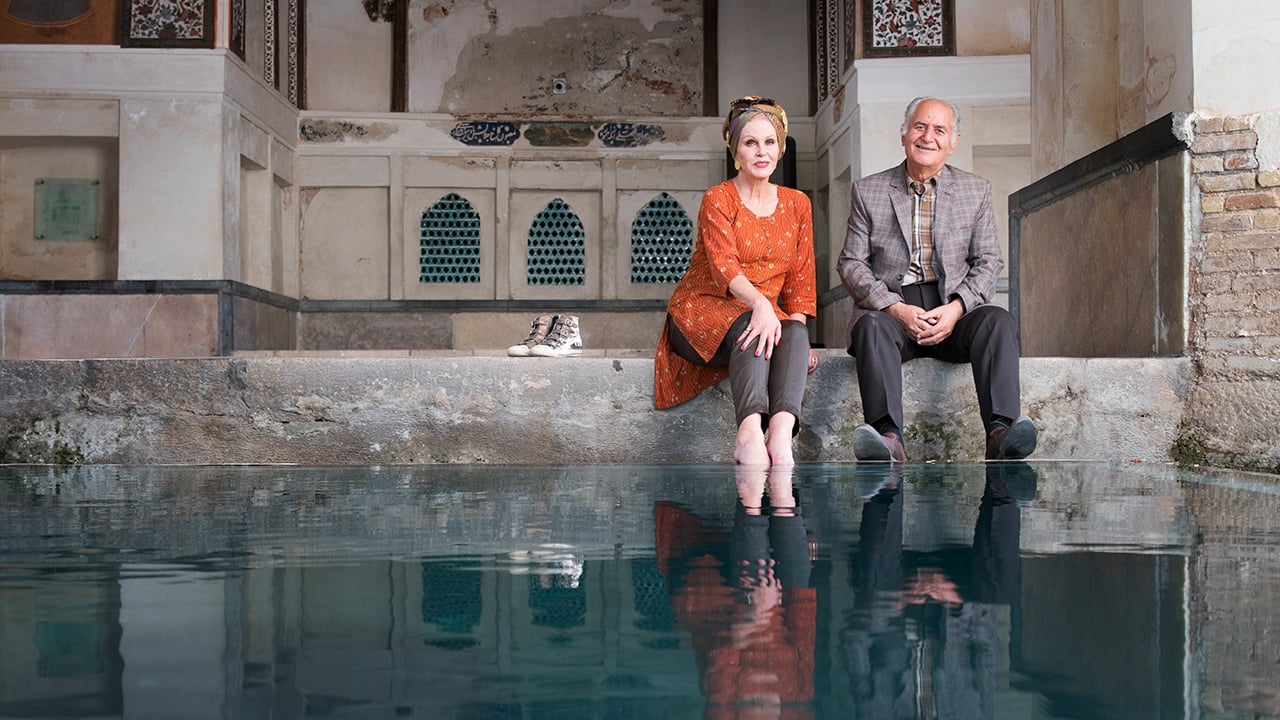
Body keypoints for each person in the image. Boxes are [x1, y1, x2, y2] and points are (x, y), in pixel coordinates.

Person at [836, 96, 1037, 463]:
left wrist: (957, 309)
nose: (928, 137)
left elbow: (989, 261)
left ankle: (1001, 433)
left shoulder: (975, 190)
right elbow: (851, 263)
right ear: (904, 135)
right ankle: (888, 439)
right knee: (870, 327)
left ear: (953, 142)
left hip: (953, 311)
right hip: (894, 312)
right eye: (920, 127)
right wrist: (894, 308)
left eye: (939, 130)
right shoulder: (869, 190)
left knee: (998, 321)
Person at [654, 96, 819, 467]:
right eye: (750, 142)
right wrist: (760, 303)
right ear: (736, 151)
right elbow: (723, 268)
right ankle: (748, 432)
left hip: (763, 314)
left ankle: (780, 434)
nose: (762, 152)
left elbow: (800, 278)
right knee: (754, 323)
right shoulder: (718, 198)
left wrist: (797, 341)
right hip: (701, 310)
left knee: (793, 332)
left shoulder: (798, 204)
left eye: (770, 142)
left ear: (780, 148)